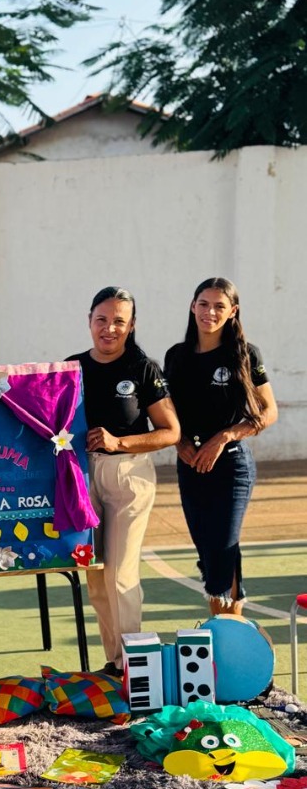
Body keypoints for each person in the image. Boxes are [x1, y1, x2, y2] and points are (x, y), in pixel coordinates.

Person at [66, 287, 180, 677]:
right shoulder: (71, 368)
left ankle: (133, 667)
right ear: (89, 321)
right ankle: (116, 661)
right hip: (82, 477)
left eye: (119, 321)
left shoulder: (142, 368)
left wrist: (120, 442)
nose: (109, 328)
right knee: (96, 575)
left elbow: (170, 431)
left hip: (128, 476)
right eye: (102, 319)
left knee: (120, 574)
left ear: (131, 326)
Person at [164, 277, 277, 615]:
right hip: (191, 466)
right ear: (192, 306)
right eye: (203, 304)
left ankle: (228, 627)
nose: (209, 312)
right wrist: (179, 443)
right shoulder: (176, 356)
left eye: (219, 306)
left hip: (231, 466)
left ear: (233, 311)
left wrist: (226, 436)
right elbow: (167, 413)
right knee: (208, 551)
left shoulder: (244, 354)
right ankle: (228, 627)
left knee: (222, 548)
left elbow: (269, 411)